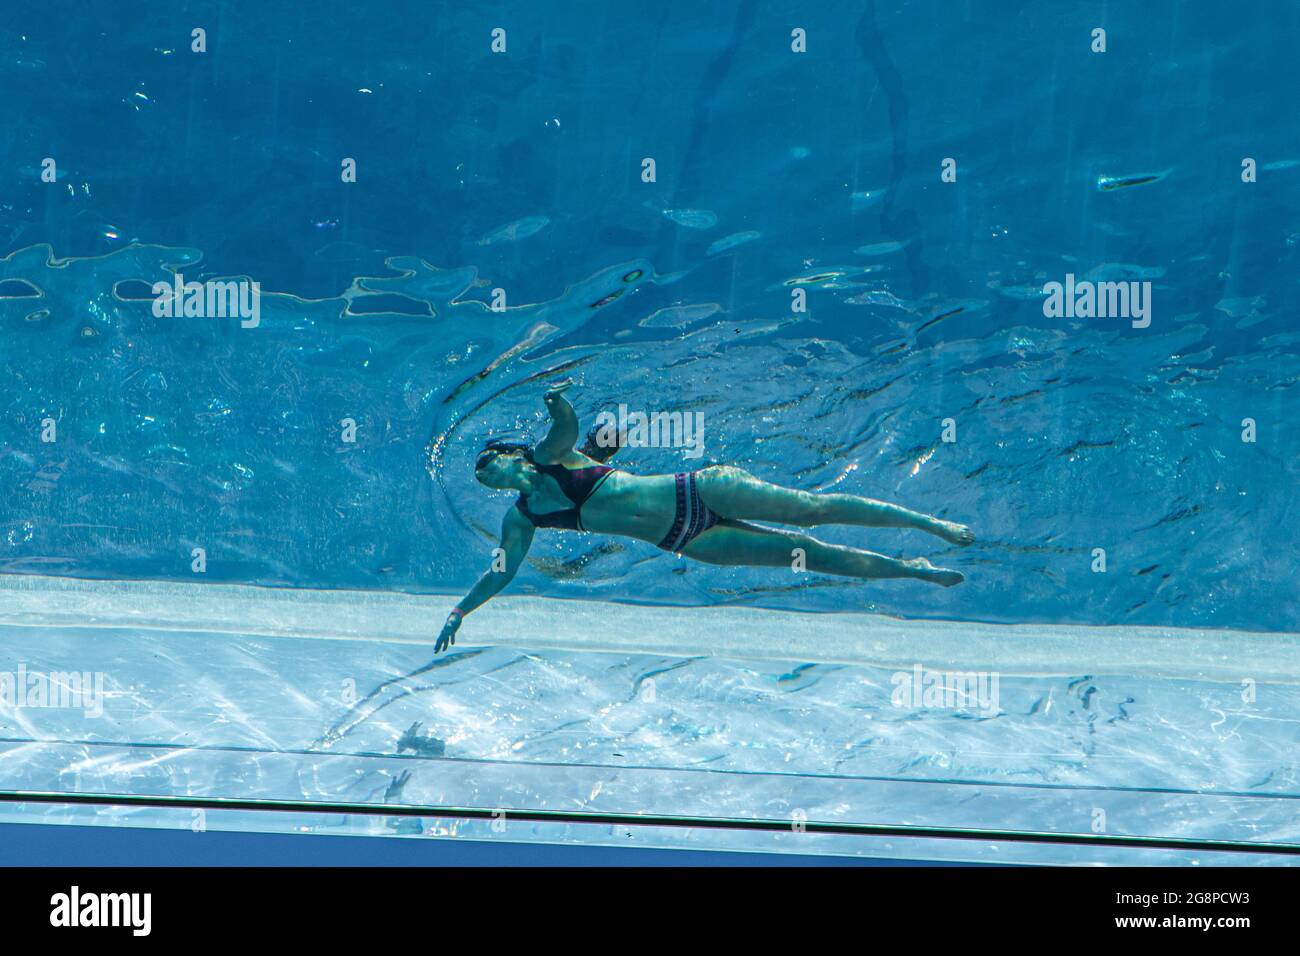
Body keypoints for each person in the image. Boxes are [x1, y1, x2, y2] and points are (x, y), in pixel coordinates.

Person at [435, 383, 973, 652]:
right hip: (688, 538)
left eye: (490, 463)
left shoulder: (552, 457)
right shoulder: (523, 519)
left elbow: (566, 429)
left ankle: (928, 524)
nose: (487, 475)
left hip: (703, 488)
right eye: (481, 477)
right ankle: (917, 570)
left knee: (813, 510)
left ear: (512, 456)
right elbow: (502, 570)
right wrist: (463, 610)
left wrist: (556, 402)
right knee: (809, 559)